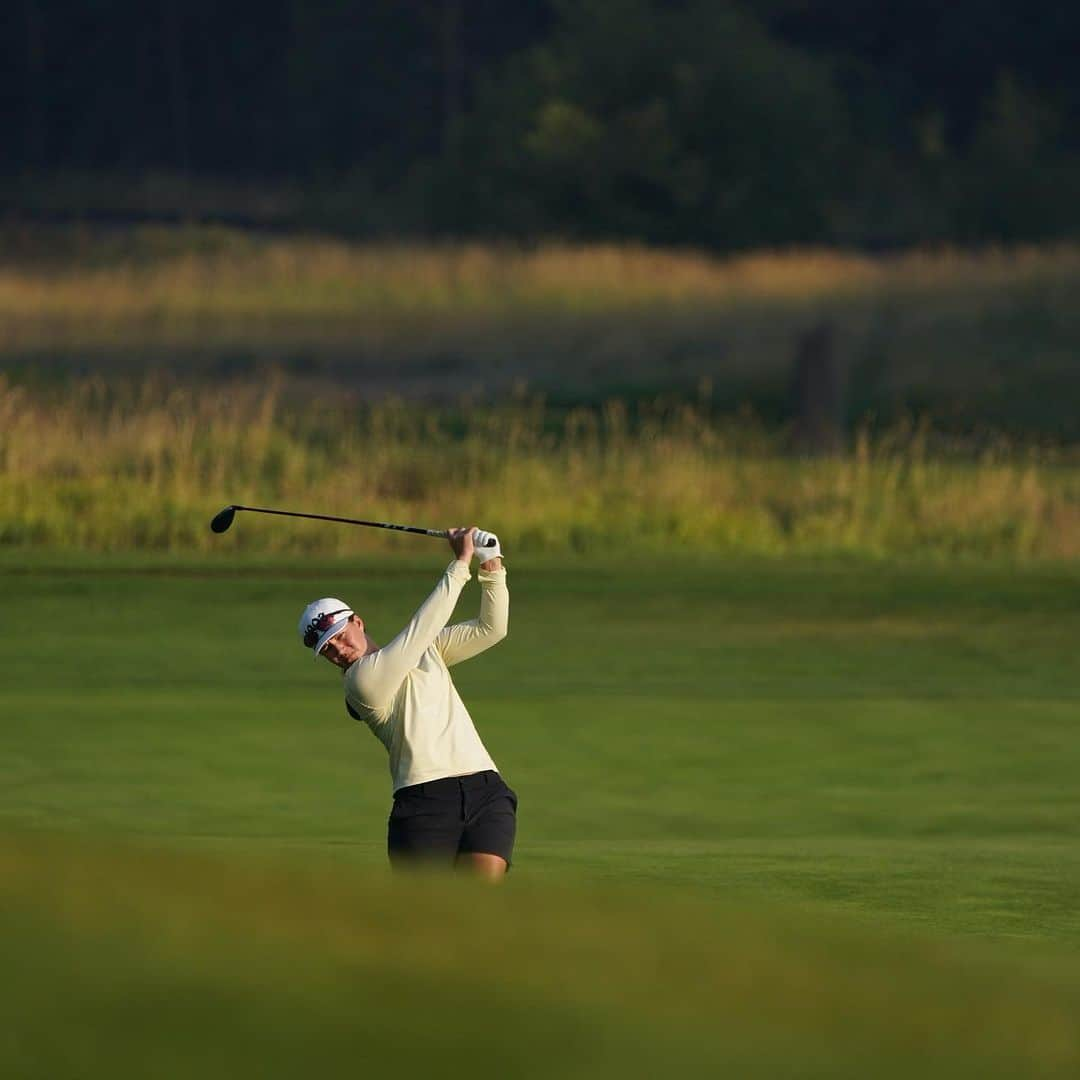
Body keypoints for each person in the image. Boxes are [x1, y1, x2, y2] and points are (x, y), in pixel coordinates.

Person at [298, 526, 515, 880]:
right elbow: (421, 630)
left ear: (358, 621)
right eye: (327, 650)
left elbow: (492, 629)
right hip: (424, 805)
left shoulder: (425, 650)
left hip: (484, 789)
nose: (337, 650)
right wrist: (460, 563)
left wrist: (490, 560)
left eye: (338, 636)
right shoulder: (360, 684)